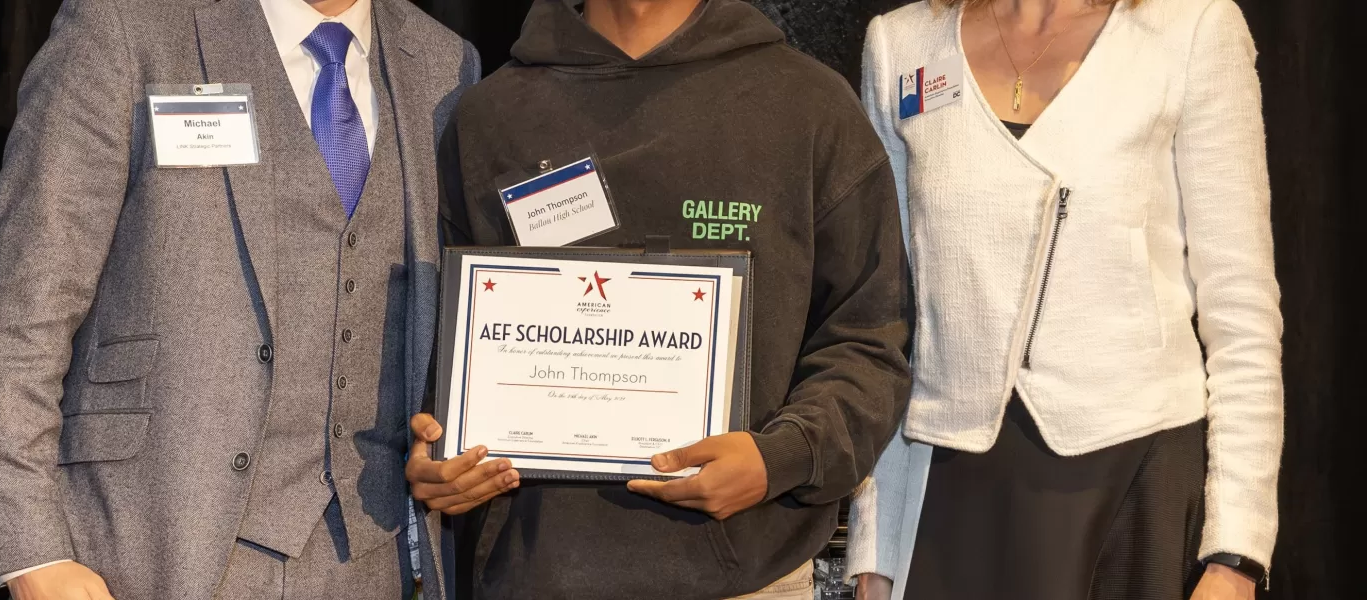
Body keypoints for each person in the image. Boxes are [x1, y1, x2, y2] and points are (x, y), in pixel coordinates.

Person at [0, 0, 477, 598]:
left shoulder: (443, 62)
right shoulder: (125, 24)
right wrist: (32, 552)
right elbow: (25, 308)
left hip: (369, 559)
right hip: (146, 545)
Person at [407, 0, 914, 598]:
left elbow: (870, 339)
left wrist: (779, 459)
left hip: (749, 582)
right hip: (532, 577)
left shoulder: (811, 110)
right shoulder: (488, 117)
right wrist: (432, 457)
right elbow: (435, 344)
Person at [848, 0, 1282, 599]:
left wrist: (1236, 554)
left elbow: (1242, 315)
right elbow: (886, 316)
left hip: (1135, 478)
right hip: (951, 486)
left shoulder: (1191, 30)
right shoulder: (901, 43)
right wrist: (875, 542)